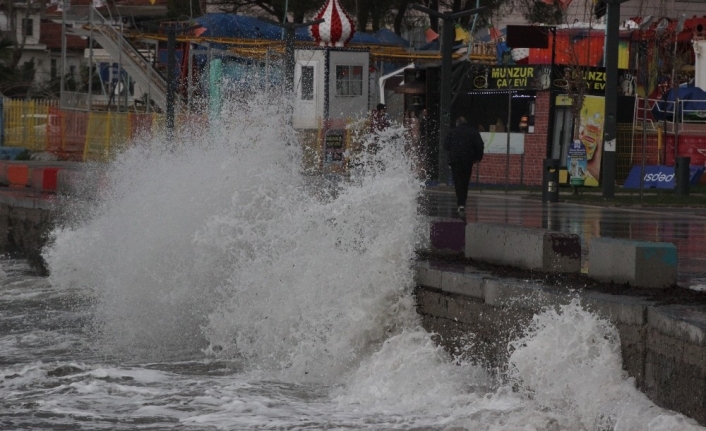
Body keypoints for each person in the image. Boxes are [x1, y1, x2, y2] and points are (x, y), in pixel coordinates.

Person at [444, 116, 484, 213]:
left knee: (458, 181)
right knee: (465, 181)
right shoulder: (473, 132)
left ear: (457, 123)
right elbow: (480, 145)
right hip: (468, 160)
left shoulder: (452, 132)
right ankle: (463, 202)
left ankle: (460, 202)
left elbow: (446, 146)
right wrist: (478, 158)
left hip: (455, 160)